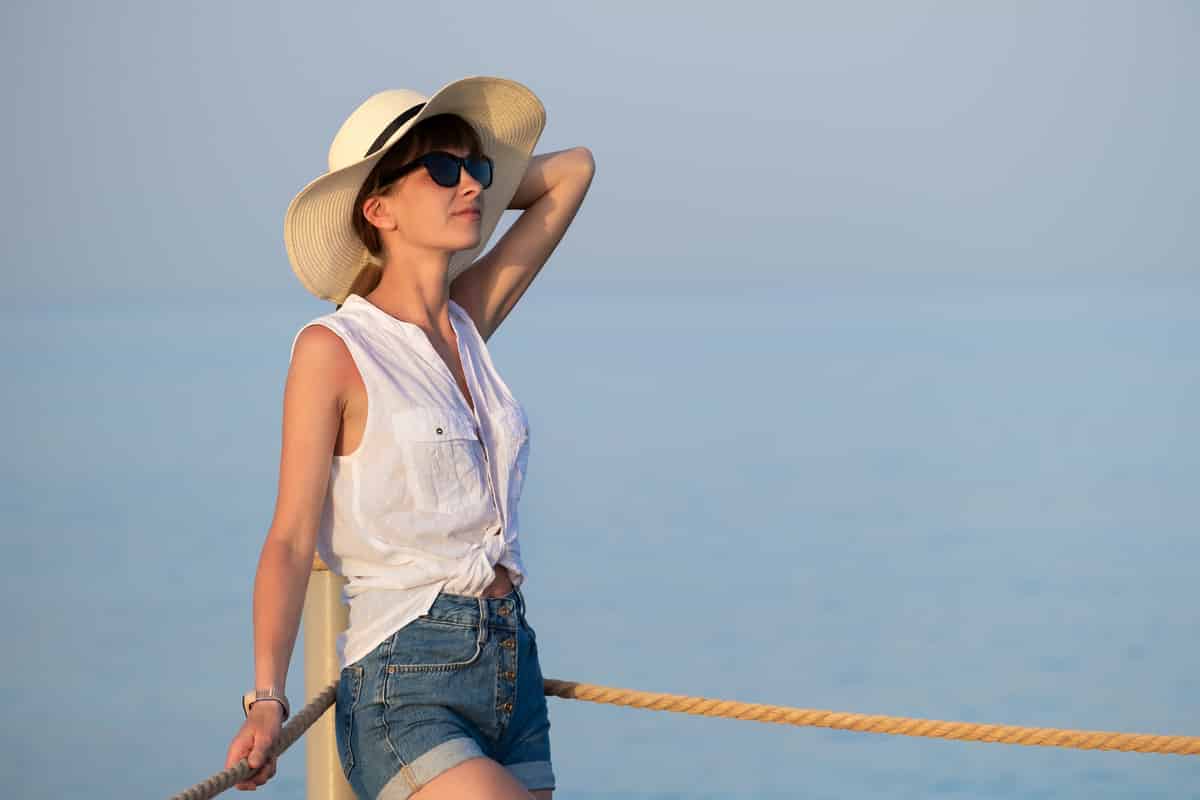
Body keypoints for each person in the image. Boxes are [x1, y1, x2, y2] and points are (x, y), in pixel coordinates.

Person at [222, 76, 594, 799]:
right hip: (406, 680)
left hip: (511, 673)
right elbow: (292, 540)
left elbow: (573, 169)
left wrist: (465, 182)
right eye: (444, 169)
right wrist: (266, 697)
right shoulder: (334, 349)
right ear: (378, 206)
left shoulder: (467, 322)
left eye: (479, 169)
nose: (472, 187)